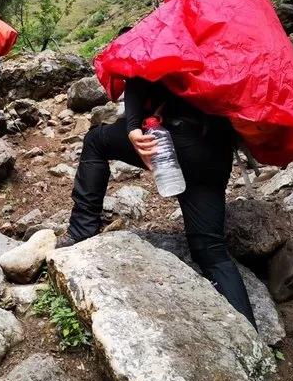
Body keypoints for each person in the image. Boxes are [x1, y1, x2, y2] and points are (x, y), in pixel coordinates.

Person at [60, 75, 258, 329]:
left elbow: (138, 69)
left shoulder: (165, 37)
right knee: (212, 252)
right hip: (215, 151)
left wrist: (132, 127)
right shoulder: (222, 44)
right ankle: (250, 335)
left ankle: (81, 233)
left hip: (172, 139)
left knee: (96, 140)